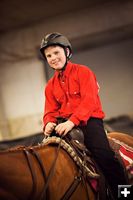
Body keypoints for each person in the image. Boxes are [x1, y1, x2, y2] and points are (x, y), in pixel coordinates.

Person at [40, 32, 128, 199]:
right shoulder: (50, 86)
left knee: (105, 157)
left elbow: (89, 102)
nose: (53, 58)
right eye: (48, 55)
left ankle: (125, 195)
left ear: (66, 52)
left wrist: (72, 122)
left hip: (89, 122)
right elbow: (49, 110)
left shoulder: (83, 72)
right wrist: (48, 123)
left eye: (56, 53)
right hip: (63, 124)